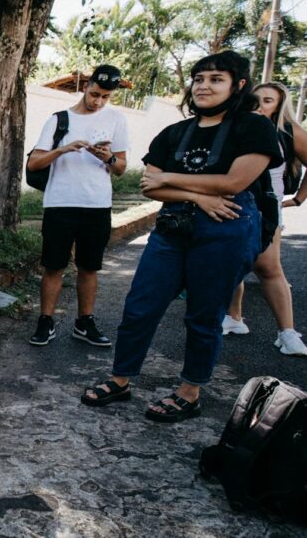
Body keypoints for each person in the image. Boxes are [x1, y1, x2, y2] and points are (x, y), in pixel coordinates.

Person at [81, 51, 282, 423]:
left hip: (226, 227)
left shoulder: (253, 128)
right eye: (199, 78)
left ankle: (190, 393)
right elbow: (148, 186)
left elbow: (235, 182)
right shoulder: (173, 132)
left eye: (216, 79)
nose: (204, 85)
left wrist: (171, 179)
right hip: (173, 227)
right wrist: (197, 195)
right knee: (141, 305)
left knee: (204, 315)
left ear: (238, 85)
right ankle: (120, 379)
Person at [25, 65, 129, 346]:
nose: (98, 102)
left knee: (89, 267)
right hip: (60, 203)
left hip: (97, 205)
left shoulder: (117, 120)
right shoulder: (59, 120)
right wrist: (63, 149)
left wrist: (106, 157)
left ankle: (84, 323)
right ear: (86, 86)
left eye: (105, 97)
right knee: (53, 266)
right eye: (95, 94)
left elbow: (120, 168)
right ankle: (45, 322)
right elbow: (34, 162)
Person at [222, 82, 307, 356]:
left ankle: (288, 333)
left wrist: (297, 199)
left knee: (268, 267)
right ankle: (234, 319)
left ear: (279, 106)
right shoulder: (235, 126)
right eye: (255, 99)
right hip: (231, 203)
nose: (260, 105)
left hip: (266, 208)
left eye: (267, 100)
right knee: (232, 262)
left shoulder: (288, 132)